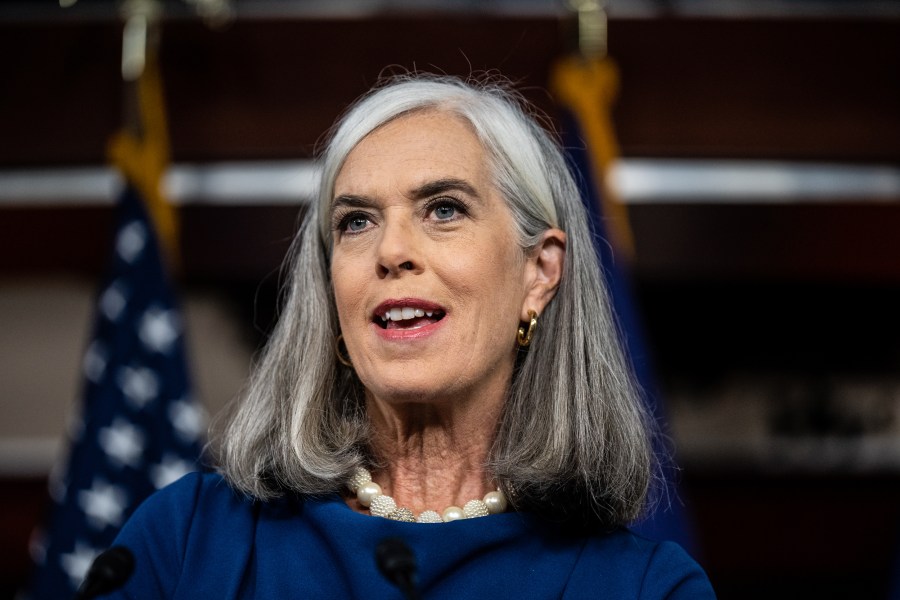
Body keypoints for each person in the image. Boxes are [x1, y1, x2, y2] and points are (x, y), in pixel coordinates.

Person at [107, 73, 715, 598]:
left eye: (444, 209)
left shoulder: (646, 587)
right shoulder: (185, 539)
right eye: (356, 221)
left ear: (539, 272)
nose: (391, 250)